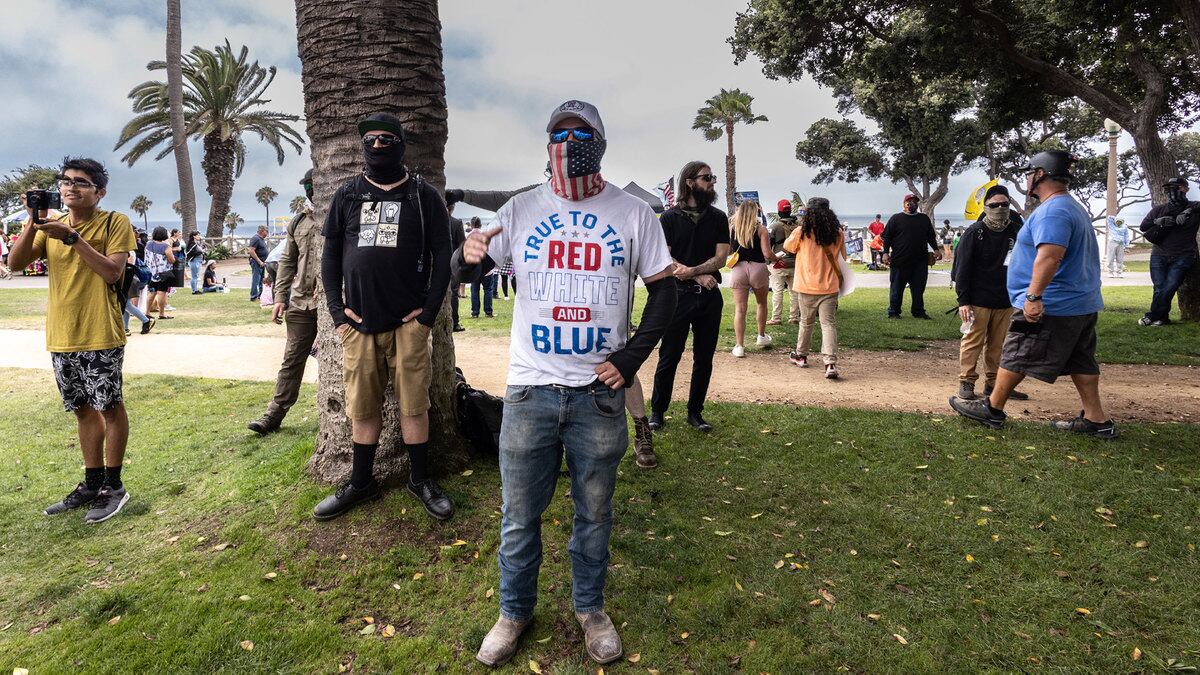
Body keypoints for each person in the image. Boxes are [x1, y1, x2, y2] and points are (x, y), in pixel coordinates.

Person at [452, 99, 676, 668]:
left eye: (581, 132)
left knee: (594, 513)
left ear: (600, 141)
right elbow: (470, 267)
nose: (570, 140)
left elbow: (665, 293)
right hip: (529, 392)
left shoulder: (633, 213)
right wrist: (468, 254)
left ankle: (590, 609)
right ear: (545, 141)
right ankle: (512, 613)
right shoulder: (522, 208)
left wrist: (629, 358)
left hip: (598, 398)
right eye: (559, 131)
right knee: (519, 515)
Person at [316, 112, 454, 522]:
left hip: (409, 326)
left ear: (401, 144)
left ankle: (419, 479)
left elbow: (443, 255)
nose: (378, 146)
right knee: (362, 407)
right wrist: (339, 314)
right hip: (357, 327)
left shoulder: (422, 196)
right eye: (371, 140)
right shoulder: (347, 195)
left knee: (414, 405)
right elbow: (329, 257)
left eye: (386, 139)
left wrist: (427, 315)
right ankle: (361, 483)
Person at [5, 157, 137, 523]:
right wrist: (33, 223)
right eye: (65, 181)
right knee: (82, 410)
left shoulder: (114, 222)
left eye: (81, 182)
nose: (70, 187)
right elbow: (15, 264)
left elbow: (112, 272)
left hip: (100, 332)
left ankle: (115, 486)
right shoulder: (51, 226)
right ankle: (92, 484)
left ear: (99, 192)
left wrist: (74, 239)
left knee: (110, 407)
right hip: (62, 335)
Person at [950, 150, 1115, 438]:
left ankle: (992, 408)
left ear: (1040, 174)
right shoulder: (1071, 207)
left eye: (1030, 173)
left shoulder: (1054, 211)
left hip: (1055, 303)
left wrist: (1033, 297)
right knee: (1081, 360)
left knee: (1017, 354)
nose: (1027, 178)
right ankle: (1097, 420)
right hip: (1080, 303)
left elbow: (1050, 256)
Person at [649, 161, 730, 433]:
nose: (712, 182)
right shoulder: (669, 218)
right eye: (707, 178)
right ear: (689, 182)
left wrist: (694, 270)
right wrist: (696, 275)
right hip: (678, 296)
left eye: (713, 177)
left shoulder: (718, 217)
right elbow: (664, 257)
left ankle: (695, 413)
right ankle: (657, 412)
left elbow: (721, 257)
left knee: (703, 358)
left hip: (709, 298)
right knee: (669, 355)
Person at [249, 168, 321, 435]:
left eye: (313, 184)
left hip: (330, 303)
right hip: (299, 303)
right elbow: (287, 261)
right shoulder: (298, 222)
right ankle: (273, 415)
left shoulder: (339, 217)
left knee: (335, 361)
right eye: (307, 185)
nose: (311, 190)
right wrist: (280, 297)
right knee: (292, 359)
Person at [953, 184, 1028, 402]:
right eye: (994, 205)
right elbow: (962, 269)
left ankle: (994, 384)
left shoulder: (1016, 231)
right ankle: (966, 381)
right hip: (977, 300)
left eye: (1005, 204)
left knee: (998, 345)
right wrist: (963, 301)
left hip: (1005, 300)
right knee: (972, 342)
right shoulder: (974, 233)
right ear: (985, 206)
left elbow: (1024, 265)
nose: (1000, 208)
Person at [783, 197, 845, 379]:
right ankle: (830, 363)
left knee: (806, 322)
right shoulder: (837, 232)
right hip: (830, 285)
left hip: (806, 285)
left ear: (808, 212)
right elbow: (843, 257)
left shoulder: (801, 232)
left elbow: (788, 248)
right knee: (828, 324)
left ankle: (801, 355)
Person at [1138, 177, 1200, 326]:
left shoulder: (1195, 207)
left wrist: (1188, 211)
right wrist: (1157, 221)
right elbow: (1143, 226)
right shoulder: (1159, 209)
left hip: (1184, 255)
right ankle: (1162, 318)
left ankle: (1151, 316)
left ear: (1185, 188)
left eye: (1176, 187)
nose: (1171, 191)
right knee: (1159, 287)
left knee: (1170, 286)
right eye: (1168, 189)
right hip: (1159, 254)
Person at [882, 194, 941, 319]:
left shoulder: (924, 219)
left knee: (918, 289)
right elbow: (886, 237)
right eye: (909, 201)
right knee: (897, 288)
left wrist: (936, 249)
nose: (912, 203)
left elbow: (930, 236)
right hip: (899, 260)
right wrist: (885, 253)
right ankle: (894, 312)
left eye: (914, 201)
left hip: (920, 261)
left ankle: (918, 311)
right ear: (904, 204)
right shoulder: (895, 219)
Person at [728, 200, 775, 357]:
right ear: (755, 212)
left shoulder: (732, 228)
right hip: (758, 268)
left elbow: (728, 249)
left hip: (738, 269)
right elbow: (767, 254)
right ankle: (761, 336)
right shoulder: (761, 229)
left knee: (740, 309)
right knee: (761, 303)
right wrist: (777, 258)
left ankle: (739, 346)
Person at [767, 198, 800, 325]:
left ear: (779, 211)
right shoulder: (798, 226)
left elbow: (769, 245)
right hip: (795, 263)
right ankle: (794, 318)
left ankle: (776, 318)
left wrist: (768, 261)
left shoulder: (775, 226)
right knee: (794, 292)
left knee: (777, 291)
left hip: (779, 263)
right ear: (790, 210)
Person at [143, 227, 176, 320]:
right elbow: (172, 260)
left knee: (152, 292)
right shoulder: (166, 247)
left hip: (151, 273)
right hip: (163, 274)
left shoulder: (148, 244)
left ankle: (147, 312)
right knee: (161, 293)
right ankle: (161, 313)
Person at [467, 217, 496, 318]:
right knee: (488, 290)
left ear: (471, 225)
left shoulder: (468, 236)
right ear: (480, 225)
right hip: (487, 268)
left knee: (474, 290)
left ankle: (475, 312)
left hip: (474, 268)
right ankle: (488, 312)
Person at [445, 199, 467, 332]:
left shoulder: (433, 220)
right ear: (452, 208)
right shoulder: (456, 223)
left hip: (436, 262)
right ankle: (454, 322)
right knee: (454, 293)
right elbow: (462, 246)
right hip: (453, 263)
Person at [247, 224, 269, 301]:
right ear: (262, 231)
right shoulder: (255, 238)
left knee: (261, 280)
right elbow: (251, 250)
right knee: (256, 279)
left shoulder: (261, 239)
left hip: (262, 262)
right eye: (267, 231)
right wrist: (259, 261)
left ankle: (260, 295)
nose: (267, 233)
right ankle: (253, 296)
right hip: (256, 262)